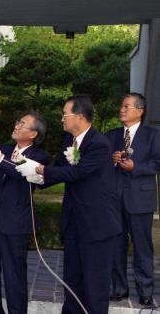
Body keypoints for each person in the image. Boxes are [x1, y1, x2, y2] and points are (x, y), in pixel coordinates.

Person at [16, 95, 122, 314]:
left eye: (65, 114)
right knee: (72, 281)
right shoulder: (69, 141)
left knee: (95, 287)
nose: (62, 119)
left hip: (97, 226)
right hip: (74, 222)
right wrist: (35, 176)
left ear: (80, 117)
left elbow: (77, 172)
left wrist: (39, 169)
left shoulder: (99, 143)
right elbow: (59, 170)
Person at [0, 112, 49, 314]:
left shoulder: (39, 156)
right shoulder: (5, 149)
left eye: (22, 123)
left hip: (16, 223)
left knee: (13, 273)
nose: (16, 125)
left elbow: (18, 173)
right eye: (17, 121)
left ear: (33, 134)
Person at [107, 93, 160, 306]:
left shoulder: (153, 136)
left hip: (140, 199)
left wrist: (135, 167)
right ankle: (119, 289)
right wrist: (112, 160)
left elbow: (157, 164)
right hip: (114, 200)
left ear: (140, 110)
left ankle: (146, 292)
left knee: (142, 246)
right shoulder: (111, 136)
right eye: (121, 106)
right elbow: (100, 164)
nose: (121, 109)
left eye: (126, 106)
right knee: (116, 246)